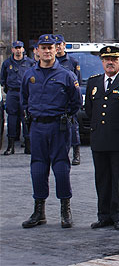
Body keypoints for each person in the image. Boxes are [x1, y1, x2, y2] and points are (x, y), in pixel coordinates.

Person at [21, 34, 82, 229]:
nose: (47, 51)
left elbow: (75, 103)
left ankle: (65, 209)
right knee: (38, 168)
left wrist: (62, 117)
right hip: (37, 127)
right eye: (43, 48)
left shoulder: (67, 75)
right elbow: (24, 100)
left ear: (57, 50)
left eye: (51, 48)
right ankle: (39, 211)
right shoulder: (29, 75)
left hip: (59, 127)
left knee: (61, 168)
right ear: (36, 51)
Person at [84, 46, 119, 230]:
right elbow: (89, 109)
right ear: (102, 62)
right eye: (106, 59)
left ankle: (118, 215)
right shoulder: (94, 82)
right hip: (99, 137)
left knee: (118, 178)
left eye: (114, 59)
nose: (110, 62)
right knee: (102, 178)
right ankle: (104, 215)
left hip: (118, 137)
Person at [1, 41, 35, 154]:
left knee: (26, 117)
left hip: (25, 93)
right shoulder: (7, 63)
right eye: (16, 48)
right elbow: (3, 79)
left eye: (20, 48)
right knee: (11, 118)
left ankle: (28, 144)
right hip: (12, 93)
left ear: (23, 49)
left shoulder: (30, 63)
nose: (18, 50)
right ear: (12, 50)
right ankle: (11, 146)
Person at [54, 34, 82, 165]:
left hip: (68, 101)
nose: (58, 47)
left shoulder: (72, 62)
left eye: (60, 44)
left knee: (73, 128)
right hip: (54, 101)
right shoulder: (51, 62)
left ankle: (76, 153)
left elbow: (77, 82)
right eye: (56, 45)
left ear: (64, 45)